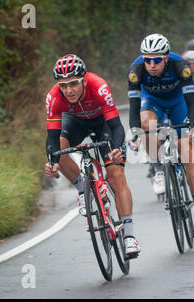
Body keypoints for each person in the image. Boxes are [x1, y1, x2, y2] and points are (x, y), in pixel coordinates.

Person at [44, 54, 140, 257]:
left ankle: (130, 236)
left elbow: (116, 126)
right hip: (75, 122)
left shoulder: (99, 86)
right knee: (60, 147)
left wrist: (116, 148)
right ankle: (83, 189)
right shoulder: (53, 97)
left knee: (116, 176)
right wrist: (52, 163)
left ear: (84, 80)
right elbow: (51, 138)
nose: (68, 90)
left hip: (102, 124)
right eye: (63, 85)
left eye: (73, 84)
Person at [127, 33, 194, 235]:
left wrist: (191, 125)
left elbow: (192, 101)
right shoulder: (136, 71)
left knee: (186, 151)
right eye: (148, 59)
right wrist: (136, 132)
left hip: (178, 101)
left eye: (156, 59)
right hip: (152, 101)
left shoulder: (180, 66)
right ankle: (157, 169)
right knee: (146, 125)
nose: (152, 64)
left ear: (166, 58)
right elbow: (133, 107)